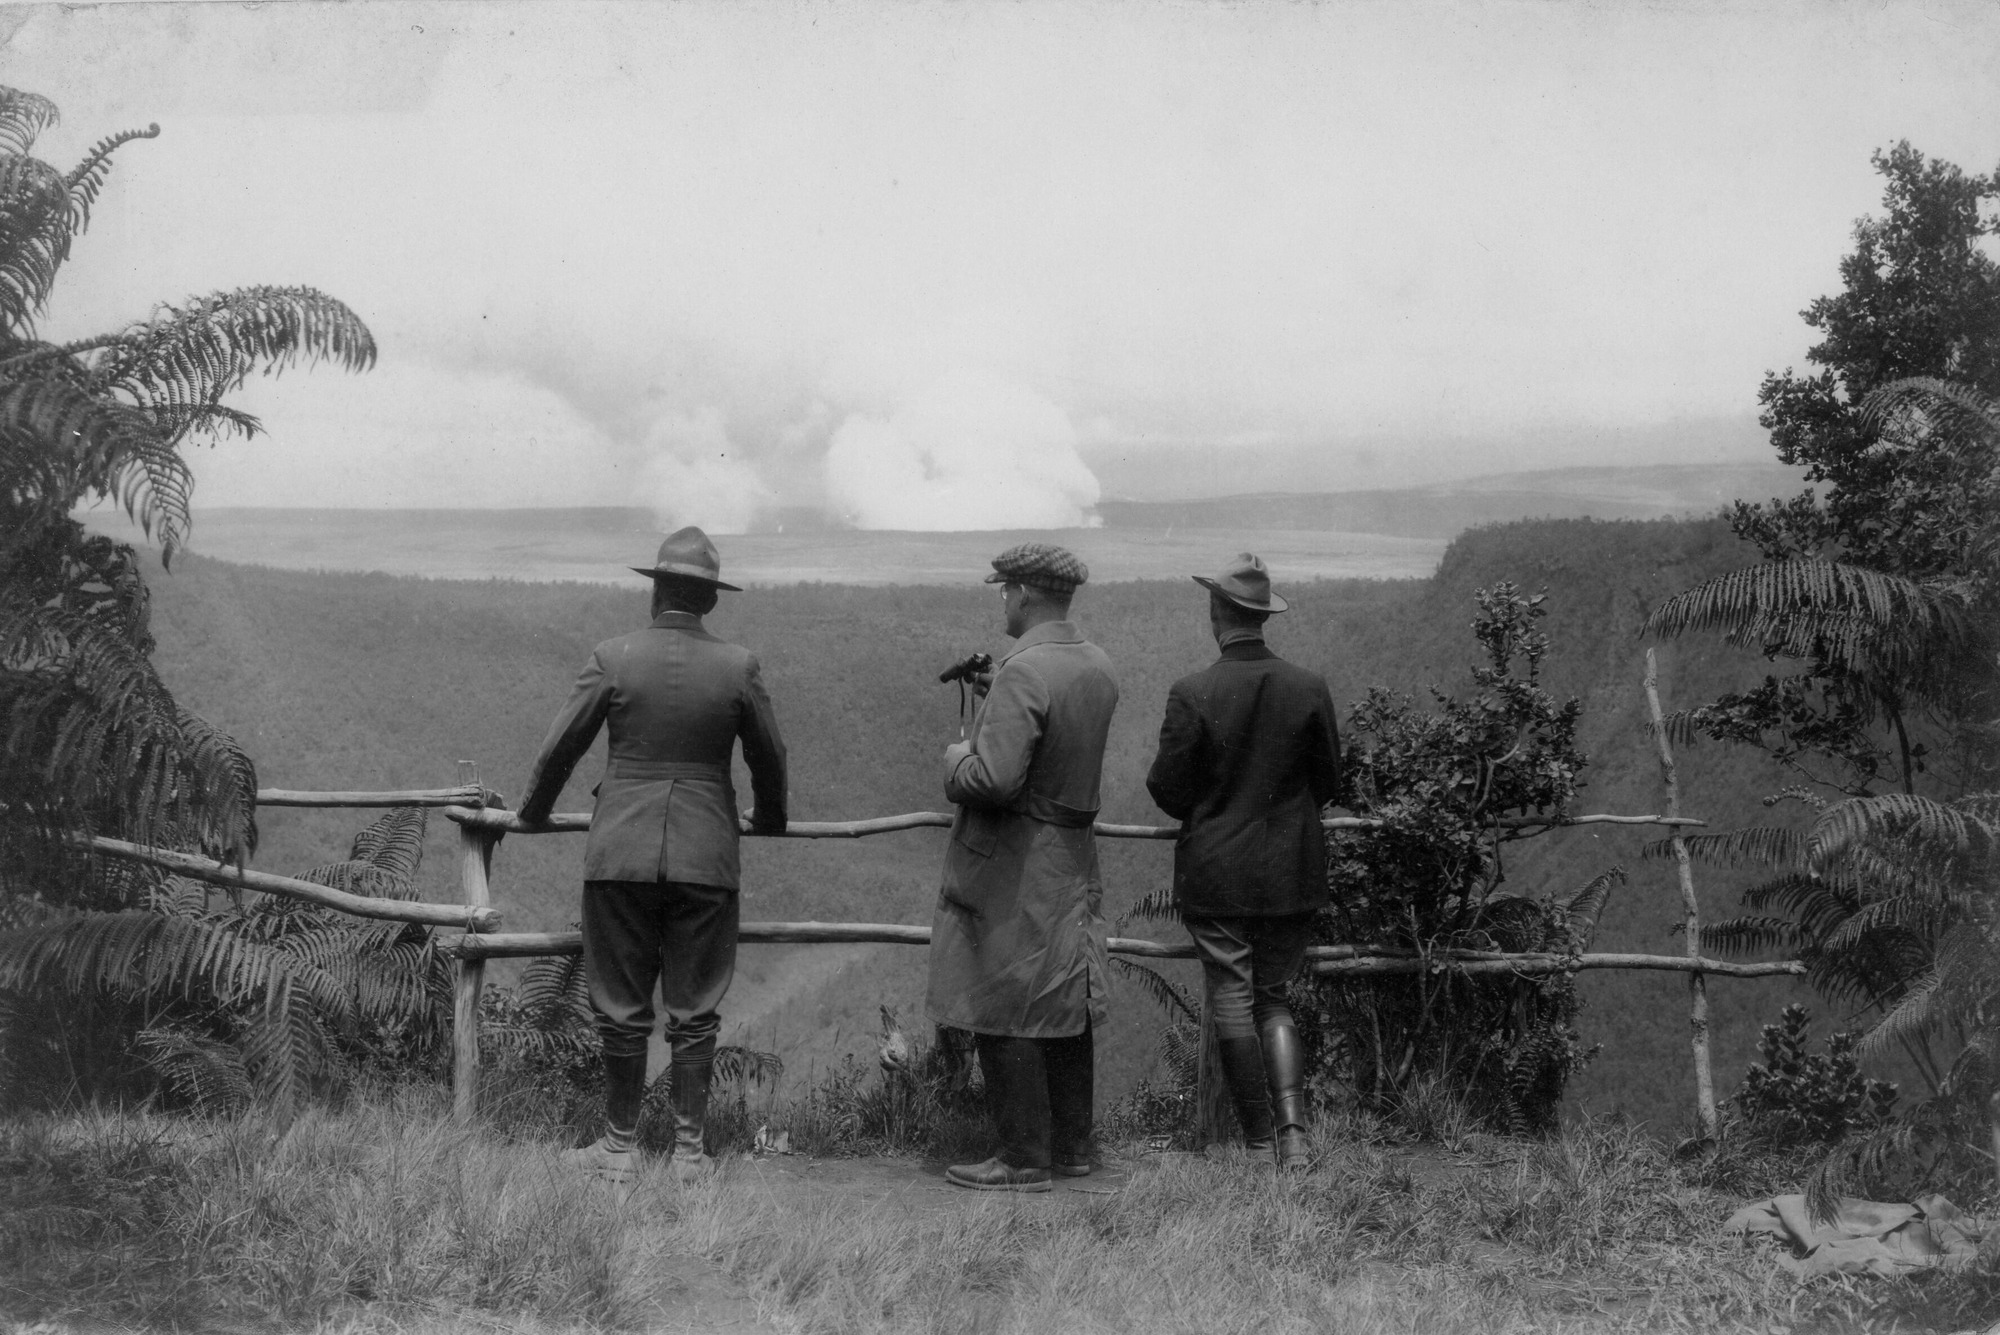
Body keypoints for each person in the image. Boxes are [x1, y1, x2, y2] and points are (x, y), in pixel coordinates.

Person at [516, 526, 787, 1184]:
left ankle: (619, 1146)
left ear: (657, 590)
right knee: (696, 1008)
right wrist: (771, 819)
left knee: (620, 1002)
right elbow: (770, 756)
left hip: (621, 853)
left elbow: (560, 748)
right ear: (710, 601)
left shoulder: (613, 656)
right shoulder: (739, 665)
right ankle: (690, 1153)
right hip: (707, 854)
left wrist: (532, 812)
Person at [927, 543, 1119, 1192]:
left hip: (1017, 863)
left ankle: (1021, 1155)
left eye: (1004, 589)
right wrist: (998, 699)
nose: (1001, 600)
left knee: (1005, 997)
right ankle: (1072, 1149)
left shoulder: (1024, 672)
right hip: (1071, 857)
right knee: (1064, 997)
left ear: (1025, 593)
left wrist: (956, 756)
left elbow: (995, 778)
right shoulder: (1095, 664)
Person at [1145, 553, 1341, 1173]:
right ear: (1262, 618)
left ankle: (1258, 1144)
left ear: (1216, 614)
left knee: (1231, 996)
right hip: (1291, 869)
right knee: (1274, 996)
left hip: (1217, 874)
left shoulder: (1192, 693)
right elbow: (1329, 781)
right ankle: (1294, 1139)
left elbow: (1169, 792)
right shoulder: (1309, 688)